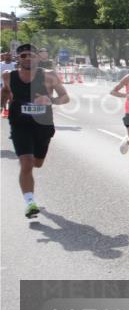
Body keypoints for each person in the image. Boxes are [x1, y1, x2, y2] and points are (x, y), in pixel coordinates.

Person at [0, 44, 70, 218]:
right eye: (24, 56)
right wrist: (2, 103)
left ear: (38, 58)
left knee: (37, 163)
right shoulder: (8, 76)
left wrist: (50, 100)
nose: (28, 59)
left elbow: (65, 97)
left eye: (31, 55)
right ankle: (30, 202)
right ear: (18, 58)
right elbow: (5, 91)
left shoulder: (49, 76)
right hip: (19, 125)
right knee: (26, 163)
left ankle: (30, 197)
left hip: (43, 127)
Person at [0, 51, 16, 118]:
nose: (8, 56)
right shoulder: (1, 64)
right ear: (4, 56)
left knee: (11, 98)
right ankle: (3, 110)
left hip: (13, 84)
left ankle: (10, 111)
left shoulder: (15, 64)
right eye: (6, 55)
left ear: (11, 56)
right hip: (1, 83)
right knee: (3, 99)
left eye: (9, 55)